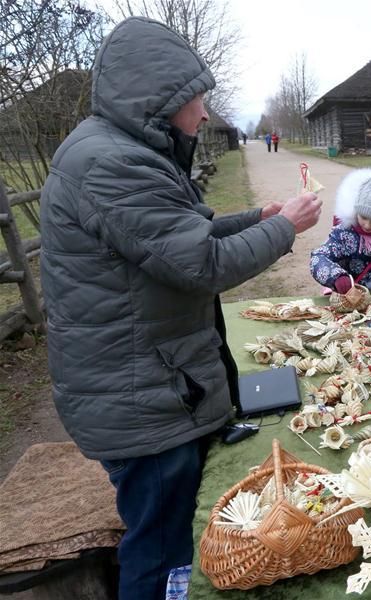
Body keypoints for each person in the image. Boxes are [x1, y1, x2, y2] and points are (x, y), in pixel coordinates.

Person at [38, 16, 322, 599]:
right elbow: (201, 263)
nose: (205, 114)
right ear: (161, 100)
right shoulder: (112, 164)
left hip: (142, 384)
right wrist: (286, 228)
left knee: (165, 536)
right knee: (162, 549)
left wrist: (259, 218)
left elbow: (178, 233)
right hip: (142, 401)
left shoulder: (114, 149)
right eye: (197, 100)